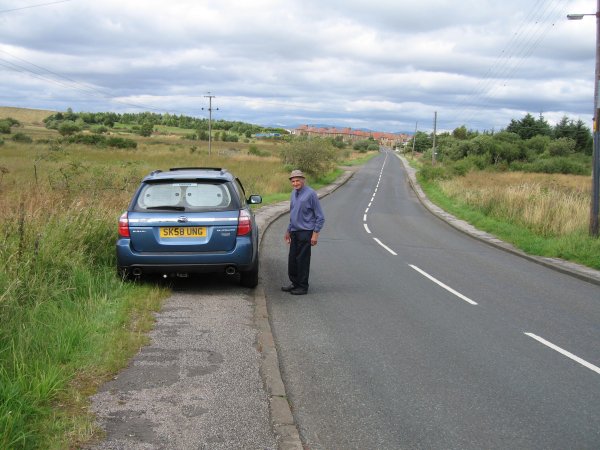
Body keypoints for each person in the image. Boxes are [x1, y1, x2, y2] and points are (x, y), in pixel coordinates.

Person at [282, 169, 325, 295]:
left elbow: (320, 216)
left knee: (302, 260)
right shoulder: (293, 193)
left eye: (298, 181)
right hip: (294, 231)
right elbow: (293, 213)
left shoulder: (311, 194)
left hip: (306, 232)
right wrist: (288, 230)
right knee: (293, 260)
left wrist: (315, 234)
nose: (295, 183)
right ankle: (294, 283)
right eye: (293, 181)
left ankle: (302, 286)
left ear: (303, 180)